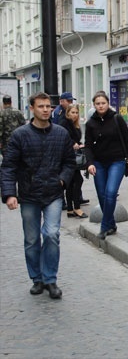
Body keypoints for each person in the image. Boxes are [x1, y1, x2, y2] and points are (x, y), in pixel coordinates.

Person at [0, 92, 75, 299]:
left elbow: (70, 162)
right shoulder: (20, 135)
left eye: (48, 107)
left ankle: (50, 279)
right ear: (31, 108)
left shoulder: (60, 134)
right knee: (32, 240)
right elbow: (8, 166)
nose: (45, 110)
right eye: (41, 106)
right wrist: (9, 194)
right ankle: (37, 278)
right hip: (29, 194)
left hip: (53, 193)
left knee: (51, 234)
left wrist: (62, 179)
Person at [84, 91, 128, 240]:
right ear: (94, 105)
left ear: (108, 104)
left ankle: (104, 226)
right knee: (102, 195)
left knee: (110, 193)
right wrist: (89, 164)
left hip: (117, 161)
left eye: (103, 103)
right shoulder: (90, 123)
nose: (101, 106)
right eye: (98, 103)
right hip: (98, 163)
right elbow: (87, 146)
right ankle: (111, 224)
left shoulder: (117, 118)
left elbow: (127, 140)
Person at [59, 105, 88, 219]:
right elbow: (63, 137)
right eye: (72, 112)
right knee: (78, 180)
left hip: (72, 156)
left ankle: (70, 209)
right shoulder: (64, 123)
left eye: (76, 112)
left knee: (71, 183)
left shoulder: (74, 125)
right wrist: (72, 143)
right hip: (67, 157)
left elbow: (76, 138)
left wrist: (79, 144)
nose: (75, 115)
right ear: (67, 113)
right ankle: (76, 207)